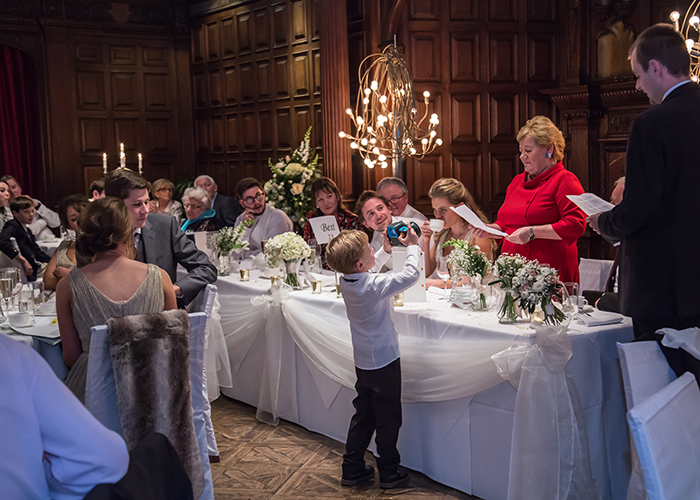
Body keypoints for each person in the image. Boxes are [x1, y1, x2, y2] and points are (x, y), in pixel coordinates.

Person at [588, 24, 700, 381]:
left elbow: (640, 207)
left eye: (638, 75)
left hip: (662, 289)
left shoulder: (652, 124)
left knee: (665, 397)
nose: (637, 86)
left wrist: (604, 221)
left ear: (657, 67)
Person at [56, 197, 177, 403]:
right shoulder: (160, 277)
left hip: (94, 395)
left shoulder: (67, 286)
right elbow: (173, 342)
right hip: (152, 393)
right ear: (128, 233)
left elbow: (71, 357)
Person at [325, 228, 420, 490]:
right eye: (369, 249)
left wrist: (383, 251)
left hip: (364, 360)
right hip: (385, 360)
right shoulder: (372, 286)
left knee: (363, 414)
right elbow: (410, 275)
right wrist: (412, 246)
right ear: (358, 263)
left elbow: (365, 271)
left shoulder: (349, 281)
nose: (372, 250)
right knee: (388, 418)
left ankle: (352, 467)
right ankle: (389, 471)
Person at [0, 333, 129, 499]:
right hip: (149, 381)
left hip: (94, 387)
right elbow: (107, 460)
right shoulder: (11, 356)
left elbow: (71, 357)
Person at [473, 116, 586, 283]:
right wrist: (492, 229)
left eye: (528, 150)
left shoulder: (565, 180)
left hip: (547, 272)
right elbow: (507, 223)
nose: (522, 157)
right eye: (521, 151)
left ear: (549, 149)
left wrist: (532, 232)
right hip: (512, 270)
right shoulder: (517, 181)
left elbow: (575, 225)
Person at [104, 169, 217, 307]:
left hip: (163, 313)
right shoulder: (98, 233)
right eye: (137, 204)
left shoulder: (165, 225)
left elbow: (206, 268)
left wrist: (175, 289)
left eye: (146, 202)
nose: (145, 210)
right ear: (115, 205)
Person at [420, 178, 494, 287]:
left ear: (459, 207)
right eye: (435, 210)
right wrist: (425, 240)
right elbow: (426, 272)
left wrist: (436, 283)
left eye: (443, 210)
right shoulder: (442, 235)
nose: (437, 216)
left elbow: (474, 279)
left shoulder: (478, 235)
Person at [302, 177, 359, 269]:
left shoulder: (351, 219)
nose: (326, 203)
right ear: (316, 203)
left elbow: (357, 251)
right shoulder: (311, 218)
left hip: (345, 269)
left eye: (329, 196)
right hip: (318, 269)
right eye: (320, 199)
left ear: (337, 196)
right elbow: (307, 248)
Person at [234, 177, 293, 257]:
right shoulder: (240, 219)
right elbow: (236, 254)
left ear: (264, 194)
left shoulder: (277, 217)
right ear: (242, 203)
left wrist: (247, 256)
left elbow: (271, 253)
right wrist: (246, 228)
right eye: (250, 199)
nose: (257, 202)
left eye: (258, 195)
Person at [43, 194, 90, 291]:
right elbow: (47, 282)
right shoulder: (64, 247)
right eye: (74, 219)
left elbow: (96, 282)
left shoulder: (101, 246)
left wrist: (67, 274)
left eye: (85, 215)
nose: (82, 221)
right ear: (69, 226)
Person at [0, 195, 51, 280]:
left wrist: (52, 262)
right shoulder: (12, 225)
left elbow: (37, 251)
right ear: (15, 213)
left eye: (32, 211)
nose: (31, 215)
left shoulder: (27, 230)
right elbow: (2, 241)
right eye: (26, 212)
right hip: (31, 271)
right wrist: (22, 260)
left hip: (36, 266)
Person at [0, 174, 60, 241]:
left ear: (20, 188)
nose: (12, 192)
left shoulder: (35, 202)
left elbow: (56, 222)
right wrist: (43, 221)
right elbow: (26, 231)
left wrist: (38, 206)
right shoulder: (6, 210)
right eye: (8, 190)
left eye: (14, 187)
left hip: (51, 242)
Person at [355, 191, 398, 272]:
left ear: (389, 209)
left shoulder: (413, 228)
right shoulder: (374, 242)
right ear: (366, 224)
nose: (378, 215)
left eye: (380, 208)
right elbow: (370, 271)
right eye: (371, 214)